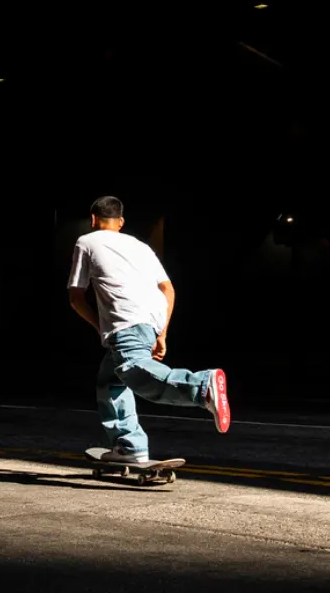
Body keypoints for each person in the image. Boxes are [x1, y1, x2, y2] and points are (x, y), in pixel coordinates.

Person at [68, 195, 230, 463]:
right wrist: (162, 332)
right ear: (120, 222)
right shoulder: (142, 247)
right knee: (110, 382)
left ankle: (202, 387)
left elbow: (75, 297)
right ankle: (129, 446)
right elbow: (168, 289)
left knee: (135, 372)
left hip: (124, 322)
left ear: (94, 219)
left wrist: (101, 328)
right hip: (151, 320)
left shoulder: (86, 241)